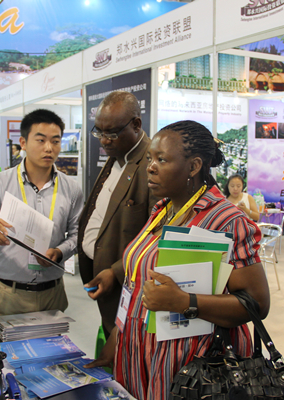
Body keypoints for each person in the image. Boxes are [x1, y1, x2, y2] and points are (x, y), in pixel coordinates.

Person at [87, 120, 270, 400]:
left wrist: (185, 301)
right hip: (138, 349)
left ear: (194, 166)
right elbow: (139, 278)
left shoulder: (226, 221)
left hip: (189, 366)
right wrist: (118, 334)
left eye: (161, 160)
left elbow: (256, 304)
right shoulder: (163, 210)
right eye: (150, 158)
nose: (150, 167)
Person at [0, 109, 83, 315]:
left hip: (53, 293)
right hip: (10, 294)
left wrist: (59, 252)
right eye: (41, 140)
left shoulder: (71, 189)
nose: (49, 148)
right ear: (24, 143)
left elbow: (78, 234)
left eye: (55, 141)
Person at [78, 91, 159, 338]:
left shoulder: (152, 166)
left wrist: (116, 271)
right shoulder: (116, 156)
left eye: (111, 133)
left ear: (136, 125)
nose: (104, 140)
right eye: (99, 132)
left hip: (129, 291)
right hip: (105, 286)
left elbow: (156, 239)